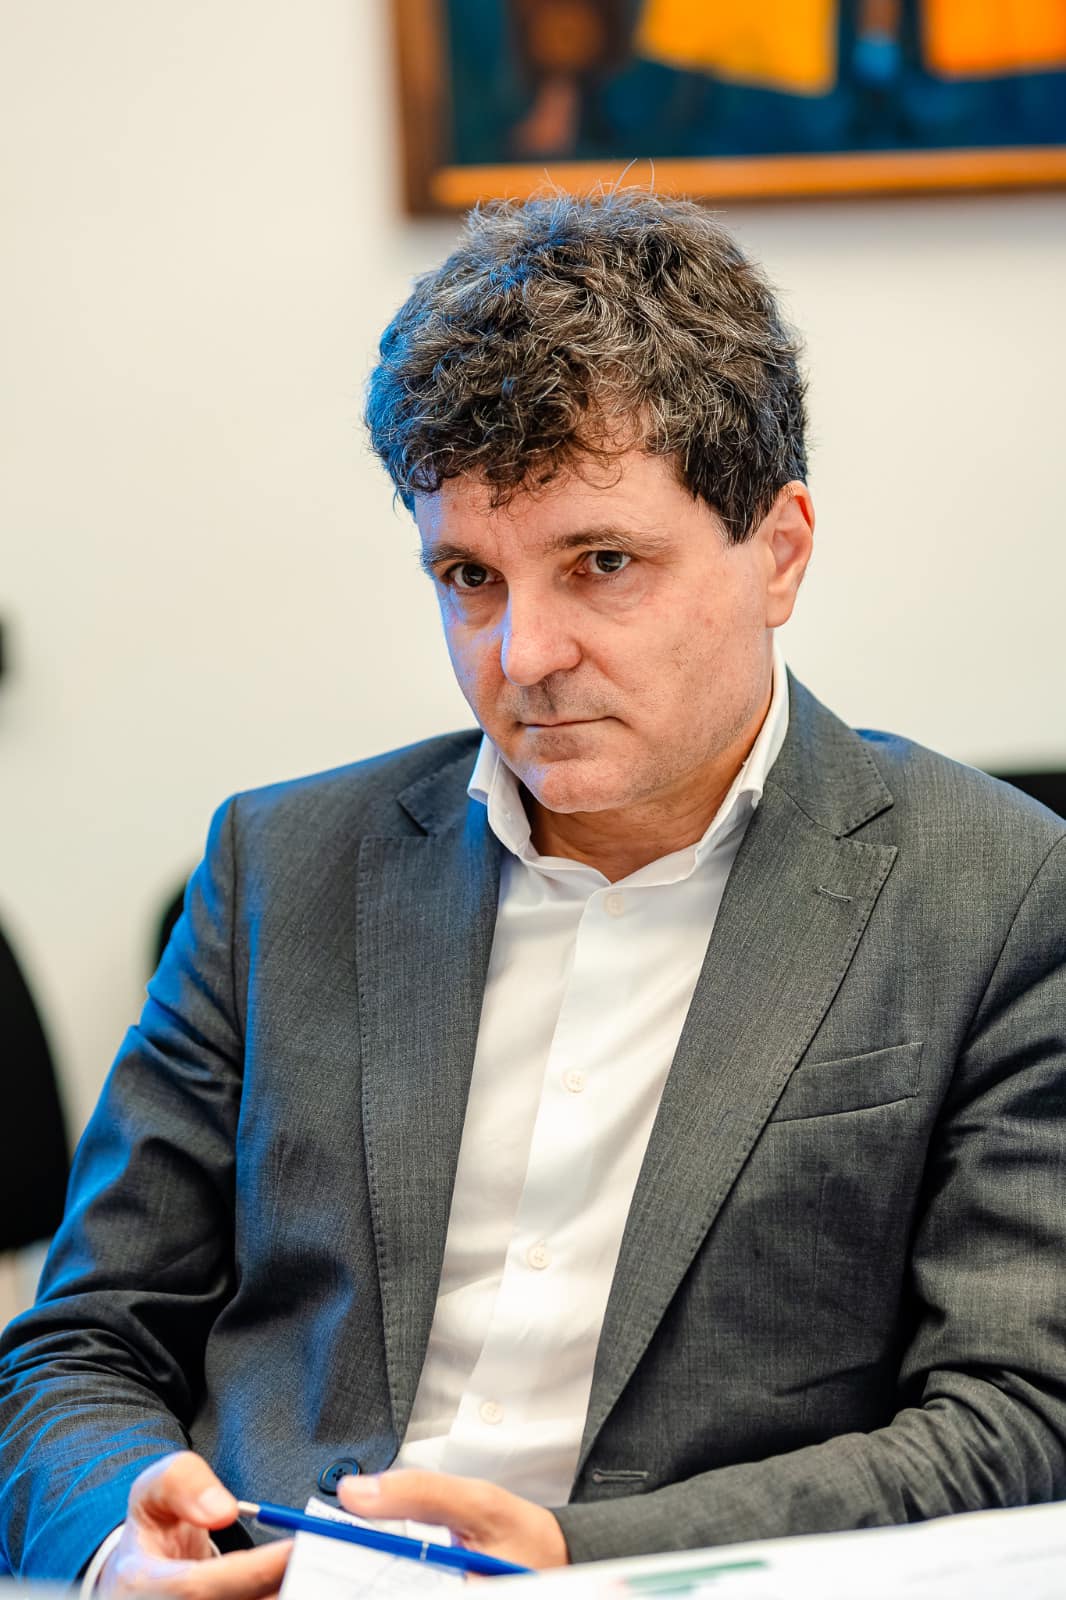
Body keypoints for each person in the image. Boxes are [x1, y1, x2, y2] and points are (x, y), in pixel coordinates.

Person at [2, 190, 1065, 1594]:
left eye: (601, 564)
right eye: (468, 577)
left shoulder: (996, 893)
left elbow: (1016, 1417)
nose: (524, 655)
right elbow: (76, 1350)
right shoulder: (278, 870)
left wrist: (577, 1555)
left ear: (780, 552)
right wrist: (113, 1543)